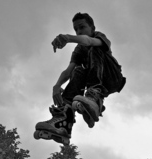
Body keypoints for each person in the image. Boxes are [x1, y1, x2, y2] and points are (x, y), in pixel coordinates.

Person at [35, 12, 126, 144]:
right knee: (77, 70)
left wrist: (67, 37)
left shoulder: (100, 37)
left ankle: (94, 98)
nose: (78, 32)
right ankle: (64, 120)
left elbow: (88, 41)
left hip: (112, 77)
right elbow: (67, 71)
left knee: (94, 49)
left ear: (92, 28)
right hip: (93, 78)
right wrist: (56, 86)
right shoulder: (78, 50)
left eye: (82, 27)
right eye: (76, 29)